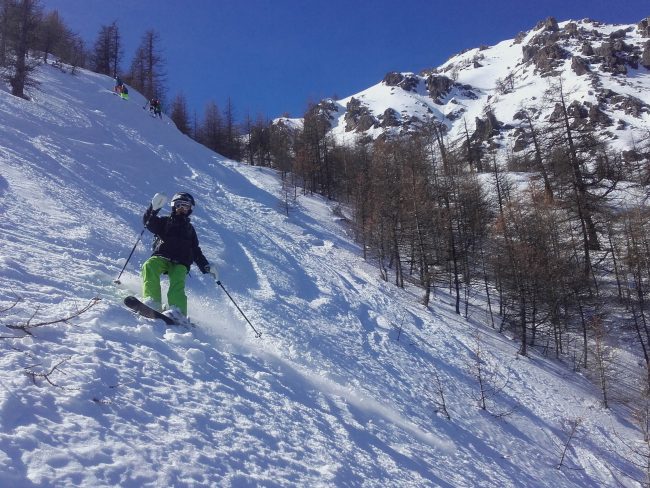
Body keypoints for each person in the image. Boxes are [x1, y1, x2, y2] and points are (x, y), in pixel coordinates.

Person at [141, 192, 218, 320]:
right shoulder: (165, 222)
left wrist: (206, 266)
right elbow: (149, 223)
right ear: (173, 206)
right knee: (150, 265)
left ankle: (178, 312)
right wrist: (153, 209)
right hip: (162, 256)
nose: (182, 208)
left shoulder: (190, 230)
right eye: (179, 205)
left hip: (181, 262)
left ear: (190, 209)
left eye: (186, 206)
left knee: (177, 280)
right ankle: (153, 302)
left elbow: (196, 250)